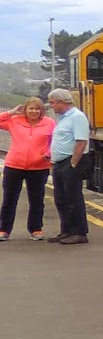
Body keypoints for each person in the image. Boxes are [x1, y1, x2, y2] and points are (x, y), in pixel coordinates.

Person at [0, 96, 55, 241]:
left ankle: (36, 229)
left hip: (39, 167)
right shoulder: (14, 121)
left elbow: (55, 141)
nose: (34, 111)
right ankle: (4, 229)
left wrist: (48, 154)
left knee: (37, 199)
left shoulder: (49, 123)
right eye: (31, 108)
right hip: (14, 166)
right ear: (24, 109)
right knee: (9, 199)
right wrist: (11, 112)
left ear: (42, 110)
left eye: (37, 109)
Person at [46, 87, 90, 245]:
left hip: (70, 162)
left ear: (61, 102)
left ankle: (79, 232)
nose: (51, 106)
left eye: (52, 103)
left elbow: (81, 141)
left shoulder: (77, 117)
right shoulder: (64, 118)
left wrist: (72, 164)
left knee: (73, 198)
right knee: (61, 198)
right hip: (60, 163)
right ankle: (66, 230)